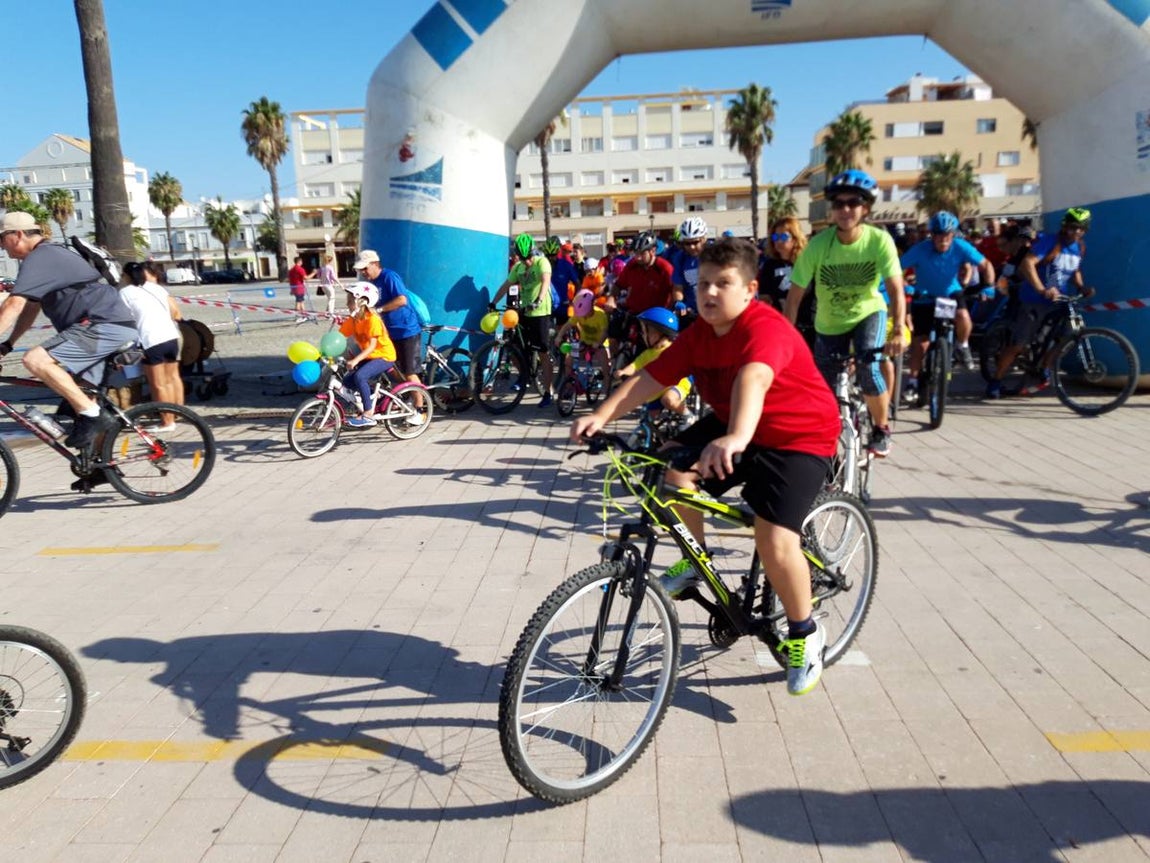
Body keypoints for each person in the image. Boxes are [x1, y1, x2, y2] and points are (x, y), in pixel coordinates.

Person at [572, 238, 841, 696]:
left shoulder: (764, 330)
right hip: (736, 423)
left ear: (750, 289)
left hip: (799, 436)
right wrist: (601, 416)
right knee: (672, 476)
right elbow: (652, 378)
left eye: (724, 283)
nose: (711, 293)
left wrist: (735, 438)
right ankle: (696, 560)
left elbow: (754, 378)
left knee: (774, 539)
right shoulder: (699, 333)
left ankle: (804, 633)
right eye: (704, 284)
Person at [785, 169, 906, 458]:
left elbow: (896, 289)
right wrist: (786, 337)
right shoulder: (817, 246)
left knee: (868, 366)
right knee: (824, 391)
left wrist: (899, 329)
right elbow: (794, 297)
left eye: (853, 203)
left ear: (865, 208)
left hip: (868, 313)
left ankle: (881, 428)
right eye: (838, 204)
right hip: (829, 322)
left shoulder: (879, 241)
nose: (845, 209)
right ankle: (830, 449)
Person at [0, 211, 138, 450]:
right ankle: (97, 467)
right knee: (81, 399)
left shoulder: (42, 257)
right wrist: (8, 343)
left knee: (36, 360)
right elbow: (30, 309)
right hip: (103, 326)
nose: (1, 246)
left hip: (102, 325)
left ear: (18, 234)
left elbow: (13, 305)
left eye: (1, 238)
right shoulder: (40, 260)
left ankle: (93, 415)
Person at [985, 208, 1094, 399]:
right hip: (1035, 300)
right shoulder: (1050, 242)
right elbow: (1027, 264)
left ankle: (1045, 367)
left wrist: (1082, 287)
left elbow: (1075, 270)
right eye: (1072, 227)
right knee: (1019, 344)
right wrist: (1041, 289)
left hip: (1060, 299)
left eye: (1080, 229)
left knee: (1066, 337)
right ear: (1065, 226)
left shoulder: (1080, 247)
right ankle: (996, 381)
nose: (1075, 232)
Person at [898, 211, 995, 401]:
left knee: (963, 316)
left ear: (953, 235)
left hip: (950, 293)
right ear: (932, 235)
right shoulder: (920, 249)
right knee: (921, 343)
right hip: (924, 295)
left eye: (947, 235)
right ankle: (912, 382)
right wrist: (906, 286)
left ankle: (963, 346)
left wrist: (989, 287)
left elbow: (986, 265)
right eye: (939, 235)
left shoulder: (960, 246)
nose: (943, 240)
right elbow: (895, 268)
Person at [490, 233, 555, 406]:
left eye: (528, 258)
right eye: (523, 258)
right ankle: (524, 376)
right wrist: (493, 302)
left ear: (533, 252)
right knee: (514, 350)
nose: (526, 262)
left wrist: (539, 300)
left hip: (540, 311)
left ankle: (548, 392)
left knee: (542, 352)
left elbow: (545, 282)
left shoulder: (542, 262)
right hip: (524, 311)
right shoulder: (518, 268)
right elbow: (506, 285)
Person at [354, 250, 425, 404]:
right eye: (361, 270)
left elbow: (401, 300)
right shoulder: (371, 284)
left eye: (365, 268)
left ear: (375, 264)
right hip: (389, 333)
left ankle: (421, 408)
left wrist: (379, 310)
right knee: (392, 369)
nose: (363, 272)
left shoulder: (389, 277)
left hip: (406, 331)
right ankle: (408, 395)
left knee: (409, 372)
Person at [120, 261, 185, 428]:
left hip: (150, 339)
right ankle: (178, 414)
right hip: (171, 336)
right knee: (171, 379)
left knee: (158, 384)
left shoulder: (125, 293)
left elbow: (124, 319)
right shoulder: (157, 288)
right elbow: (174, 311)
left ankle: (167, 421)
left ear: (127, 276)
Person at [612, 306, 693, 422]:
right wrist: (623, 372)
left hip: (677, 384)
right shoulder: (648, 354)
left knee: (668, 399)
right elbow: (635, 365)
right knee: (648, 420)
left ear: (659, 332)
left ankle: (687, 415)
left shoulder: (674, 349)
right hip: (656, 388)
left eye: (646, 331)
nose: (643, 334)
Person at [338, 281, 398, 428]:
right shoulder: (355, 319)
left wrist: (355, 360)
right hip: (370, 357)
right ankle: (373, 397)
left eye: (350, 300)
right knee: (347, 382)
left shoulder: (372, 319)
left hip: (384, 355)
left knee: (360, 376)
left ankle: (368, 413)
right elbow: (339, 336)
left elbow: (371, 347)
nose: (347, 304)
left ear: (361, 301)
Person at [757, 216, 809, 322]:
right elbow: (764, 297)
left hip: (807, 323)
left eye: (784, 237)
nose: (779, 241)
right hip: (779, 322)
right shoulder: (769, 265)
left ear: (795, 238)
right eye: (775, 237)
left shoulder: (807, 262)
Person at [611, 231, 676, 315]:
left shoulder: (665, 268)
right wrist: (611, 298)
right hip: (633, 314)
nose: (638, 257)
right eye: (636, 253)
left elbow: (675, 291)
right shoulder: (632, 265)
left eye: (642, 253)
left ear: (653, 251)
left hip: (656, 317)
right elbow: (618, 285)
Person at [553, 288, 610, 381]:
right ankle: (569, 383)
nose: (584, 316)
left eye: (586, 313)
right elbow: (568, 325)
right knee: (569, 358)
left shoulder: (601, 315)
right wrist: (559, 336)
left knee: (606, 367)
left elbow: (605, 332)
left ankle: (607, 390)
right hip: (584, 342)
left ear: (592, 306)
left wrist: (598, 343)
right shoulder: (579, 313)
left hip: (600, 344)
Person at [668, 216, 708, 314]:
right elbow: (678, 287)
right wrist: (679, 302)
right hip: (692, 311)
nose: (691, 247)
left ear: (704, 239)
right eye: (687, 243)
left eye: (695, 242)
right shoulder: (680, 258)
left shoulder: (716, 254)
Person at [316, 254, 341, 320]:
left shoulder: (321, 267)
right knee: (332, 299)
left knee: (329, 299)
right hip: (329, 285)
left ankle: (327, 313)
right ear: (330, 261)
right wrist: (340, 284)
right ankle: (331, 314)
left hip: (323, 285)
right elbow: (333, 277)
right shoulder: (330, 267)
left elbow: (318, 276)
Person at [287, 256, 311, 322]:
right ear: (300, 261)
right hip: (299, 288)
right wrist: (314, 273)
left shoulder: (291, 270)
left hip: (294, 287)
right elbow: (306, 278)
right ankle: (297, 316)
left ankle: (304, 315)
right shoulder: (300, 269)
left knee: (301, 302)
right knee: (298, 302)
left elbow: (290, 280)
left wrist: (291, 289)